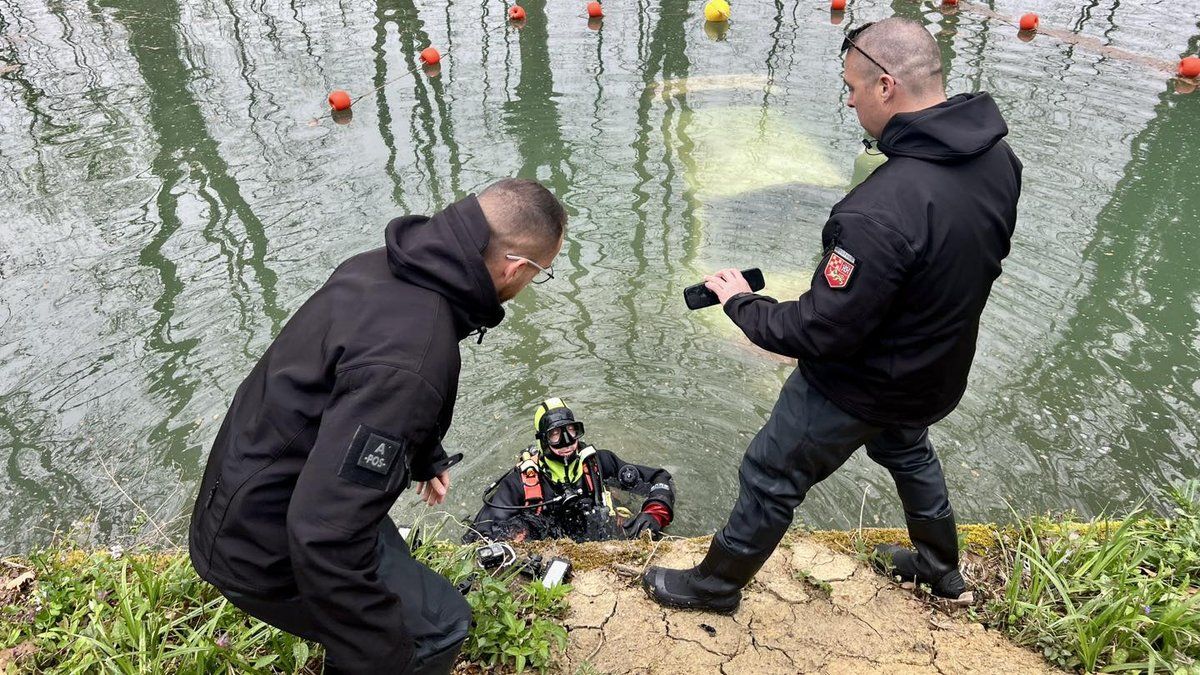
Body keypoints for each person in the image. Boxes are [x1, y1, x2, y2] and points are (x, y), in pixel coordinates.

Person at [643, 17, 1022, 612]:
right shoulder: (999, 160)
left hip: (857, 385)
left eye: (851, 87)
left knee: (771, 473)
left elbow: (818, 329)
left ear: (886, 86)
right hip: (933, 372)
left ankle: (714, 586)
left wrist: (740, 300)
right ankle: (940, 568)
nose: (848, 101)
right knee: (908, 452)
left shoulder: (878, 210)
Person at [187, 178, 567, 674]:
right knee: (437, 628)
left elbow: (354, 387)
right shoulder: (413, 359)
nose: (531, 282)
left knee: (387, 577)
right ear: (515, 268)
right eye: (541, 273)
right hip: (260, 547)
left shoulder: (380, 267)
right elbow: (323, 535)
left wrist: (423, 453)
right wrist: (381, 649)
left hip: (245, 491)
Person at [468, 398, 676, 543]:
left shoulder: (599, 463)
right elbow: (478, 534)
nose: (566, 441)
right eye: (555, 434)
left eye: (570, 430)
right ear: (542, 440)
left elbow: (660, 479)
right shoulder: (519, 483)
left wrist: (655, 514)